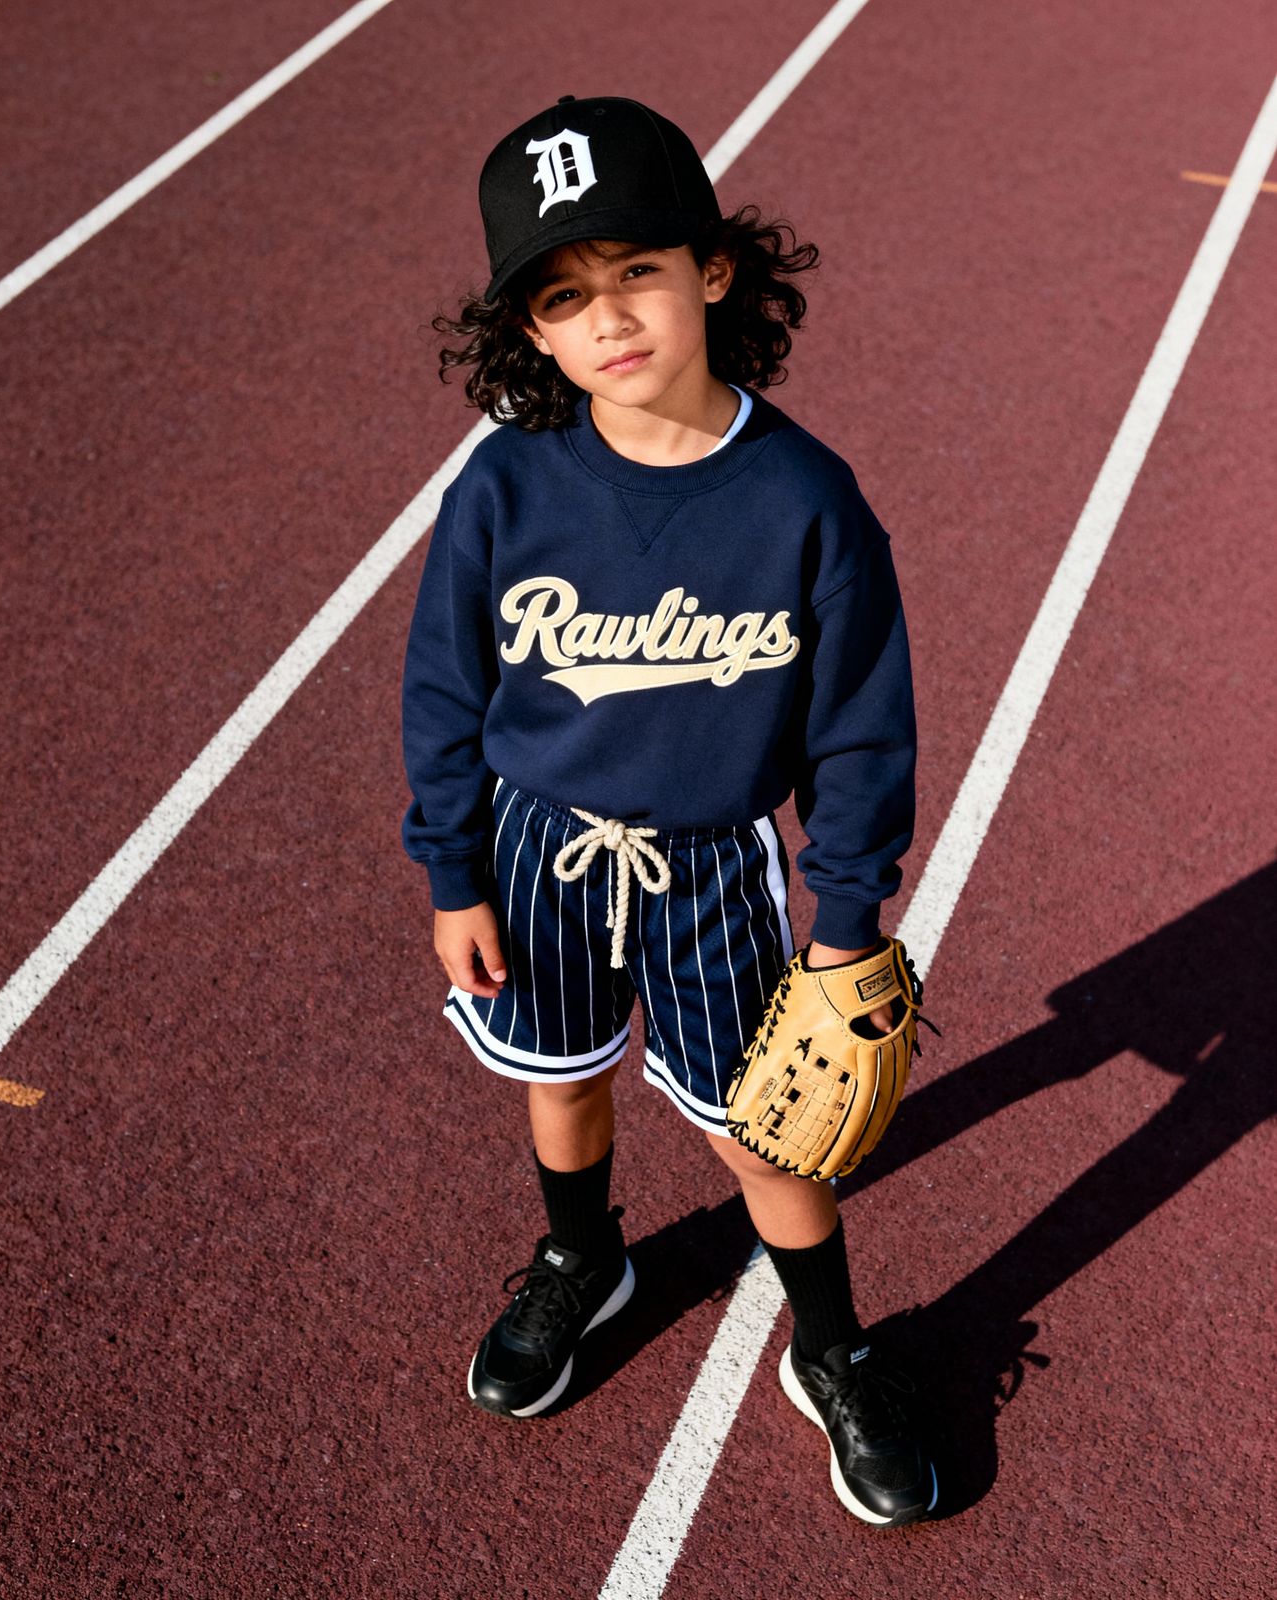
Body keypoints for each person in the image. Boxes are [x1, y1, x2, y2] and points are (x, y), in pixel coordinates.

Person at [400, 94, 937, 1528]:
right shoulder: (505, 489)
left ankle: (834, 1349)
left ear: (715, 269)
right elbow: (444, 696)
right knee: (560, 1074)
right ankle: (586, 1261)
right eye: (564, 296)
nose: (608, 317)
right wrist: (454, 873)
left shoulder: (808, 500)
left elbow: (862, 730)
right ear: (530, 331)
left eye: (637, 269)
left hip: (714, 871)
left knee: (767, 1134)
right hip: (533, 855)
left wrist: (845, 921)